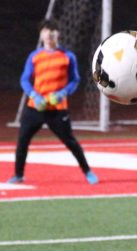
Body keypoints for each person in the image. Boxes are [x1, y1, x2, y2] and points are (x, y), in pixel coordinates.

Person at [8, 18, 98, 185]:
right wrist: (34, 95)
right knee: (22, 141)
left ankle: (88, 172)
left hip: (57, 108)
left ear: (58, 34)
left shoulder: (67, 56)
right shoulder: (34, 56)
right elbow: (25, 80)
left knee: (70, 141)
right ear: (41, 35)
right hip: (35, 107)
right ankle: (18, 175)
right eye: (46, 31)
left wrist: (62, 93)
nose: (49, 34)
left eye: (53, 31)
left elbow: (75, 80)